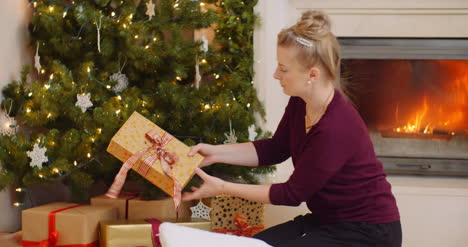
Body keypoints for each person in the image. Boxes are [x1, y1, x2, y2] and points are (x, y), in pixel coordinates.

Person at [182, 10, 401, 247]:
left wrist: (222, 187)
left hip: (368, 232)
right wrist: (216, 153)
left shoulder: (335, 127)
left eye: (283, 69)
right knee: (256, 244)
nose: (277, 74)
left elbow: (292, 194)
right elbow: (276, 149)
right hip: (329, 220)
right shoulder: (301, 102)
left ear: (312, 75)